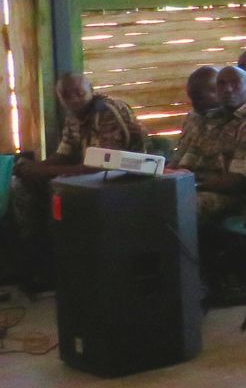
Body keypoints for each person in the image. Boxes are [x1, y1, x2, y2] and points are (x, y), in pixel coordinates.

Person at [9, 73, 147, 261]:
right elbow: (63, 154)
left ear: (91, 90)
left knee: (57, 195)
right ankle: (40, 257)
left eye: (79, 93)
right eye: (66, 95)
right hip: (91, 177)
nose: (73, 99)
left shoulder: (107, 112)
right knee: (22, 183)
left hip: (123, 179)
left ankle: (59, 261)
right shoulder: (74, 117)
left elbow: (105, 165)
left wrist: (45, 171)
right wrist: (34, 168)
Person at [173, 66, 246, 221]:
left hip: (234, 199)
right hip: (196, 187)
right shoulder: (208, 119)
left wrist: (191, 185)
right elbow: (187, 162)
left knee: (181, 206)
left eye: (235, 83)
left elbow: (236, 181)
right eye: (221, 84)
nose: (228, 89)